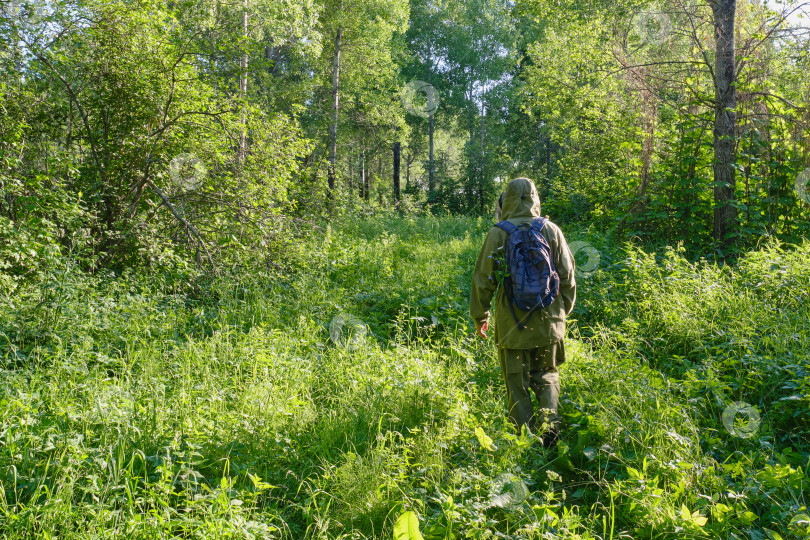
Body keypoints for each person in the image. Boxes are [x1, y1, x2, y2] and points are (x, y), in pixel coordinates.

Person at [470, 177, 576, 447]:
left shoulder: (498, 233)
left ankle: (526, 442)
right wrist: (561, 313)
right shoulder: (551, 230)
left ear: (505, 201)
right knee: (547, 374)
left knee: (516, 382)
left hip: (512, 323)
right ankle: (550, 429)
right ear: (535, 199)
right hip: (549, 320)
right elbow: (568, 277)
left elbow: (484, 280)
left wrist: (480, 316)